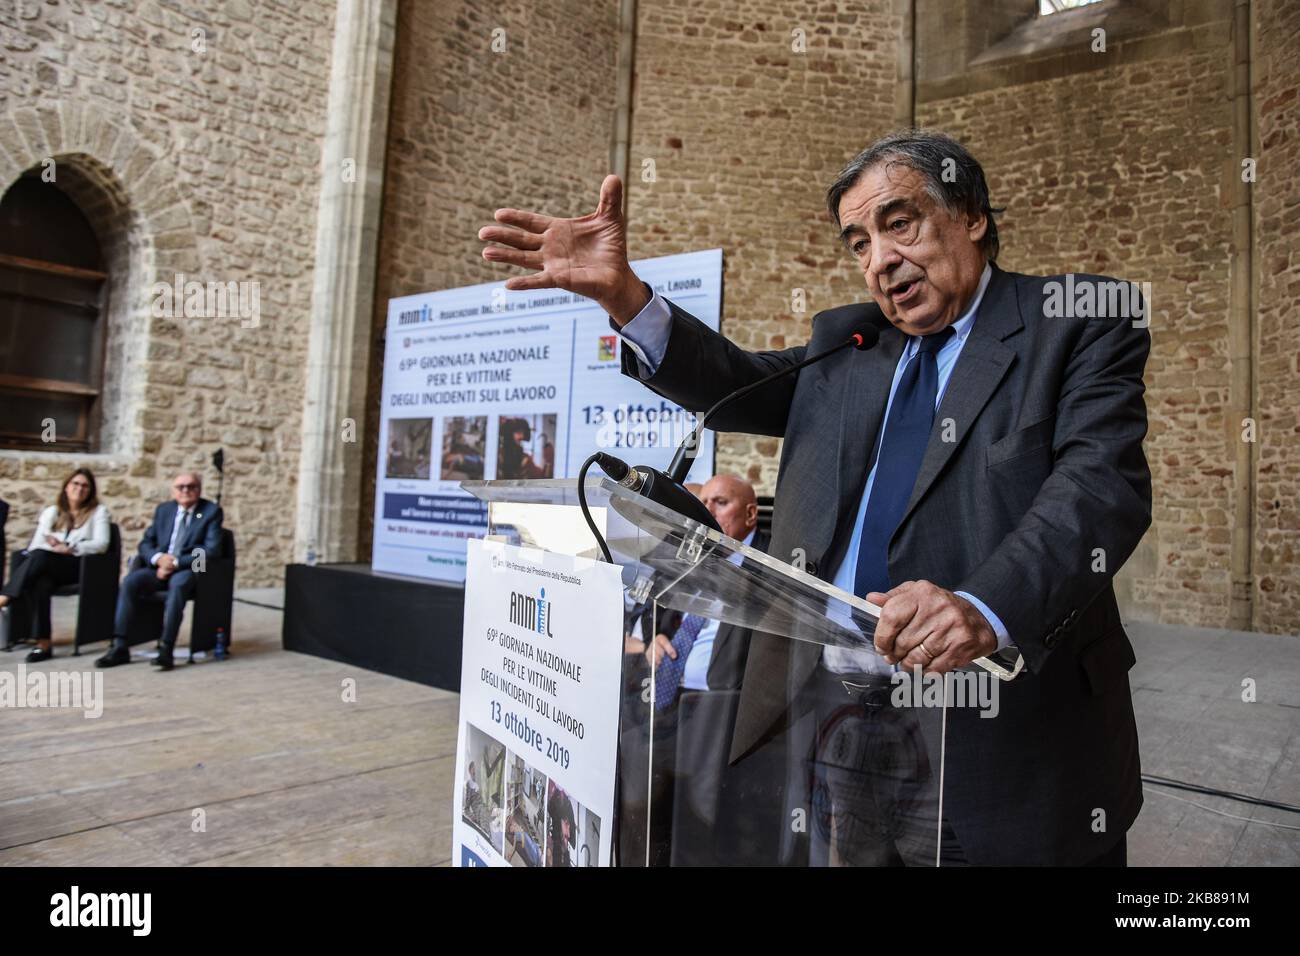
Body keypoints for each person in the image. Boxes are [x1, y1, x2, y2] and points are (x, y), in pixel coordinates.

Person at [478, 129, 1151, 866]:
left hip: (1006, 735)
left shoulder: (1075, 322)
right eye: (859, 243)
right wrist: (625, 297)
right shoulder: (853, 345)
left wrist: (983, 607)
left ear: (971, 215)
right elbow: (732, 381)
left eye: (900, 223)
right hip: (838, 725)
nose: (881, 261)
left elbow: (1098, 491)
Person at [96, 473, 224, 672]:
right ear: (173, 491)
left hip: (188, 569)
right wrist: (158, 559)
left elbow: (211, 550)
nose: (186, 491)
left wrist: (175, 562)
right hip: (158, 567)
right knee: (130, 582)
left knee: (178, 586)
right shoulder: (164, 510)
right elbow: (146, 543)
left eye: (191, 486)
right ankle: (120, 645)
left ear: (199, 490)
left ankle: (166, 648)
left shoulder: (210, 511)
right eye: (180, 487)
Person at [0, 468, 110, 662]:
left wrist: (70, 547)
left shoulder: (98, 512)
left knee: (42, 557)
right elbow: (36, 544)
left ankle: (6, 596)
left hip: (79, 567)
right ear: (66, 487)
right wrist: (54, 546)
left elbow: (101, 544)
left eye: (85, 486)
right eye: (75, 484)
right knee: (41, 582)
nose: (80, 489)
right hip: (48, 564)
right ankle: (44, 644)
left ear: (90, 491)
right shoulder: (52, 512)